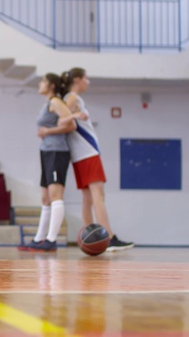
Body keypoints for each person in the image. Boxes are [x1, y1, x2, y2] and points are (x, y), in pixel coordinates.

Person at [58, 67, 134, 251]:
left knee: (88, 197)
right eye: (86, 78)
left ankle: (90, 237)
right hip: (87, 152)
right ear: (77, 80)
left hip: (82, 154)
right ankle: (108, 237)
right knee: (98, 195)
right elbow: (62, 119)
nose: (88, 82)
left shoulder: (72, 98)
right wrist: (75, 115)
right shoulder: (73, 98)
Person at [19, 73, 76, 252]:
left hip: (57, 152)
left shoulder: (56, 102)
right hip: (47, 151)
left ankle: (51, 240)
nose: (40, 84)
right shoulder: (48, 103)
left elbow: (71, 124)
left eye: (43, 81)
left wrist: (48, 132)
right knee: (45, 198)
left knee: (55, 195)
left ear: (51, 85)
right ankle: (39, 239)